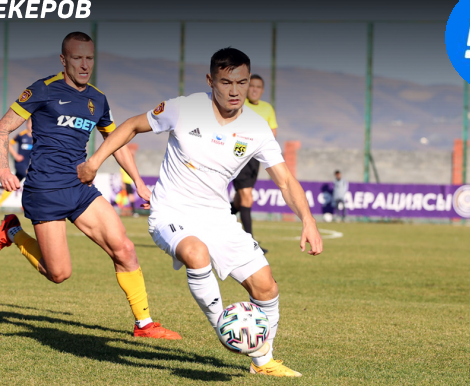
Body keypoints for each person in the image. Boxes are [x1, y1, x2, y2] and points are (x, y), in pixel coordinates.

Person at [77, 47, 323, 377]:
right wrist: (94, 161)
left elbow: (285, 180)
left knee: (266, 287)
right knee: (196, 252)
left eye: (242, 82)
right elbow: (132, 125)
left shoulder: (257, 128)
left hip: (218, 218)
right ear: (210, 80)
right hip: (171, 213)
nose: (235, 90)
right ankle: (225, 327)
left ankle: (263, 362)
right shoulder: (183, 109)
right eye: (226, 82)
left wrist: (308, 220)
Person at [0, 31, 180, 340]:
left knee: (124, 248)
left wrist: (138, 182)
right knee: (59, 274)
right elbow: (1, 130)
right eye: (77, 58)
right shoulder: (43, 89)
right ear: (64, 60)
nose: (85, 64)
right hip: (45, 190)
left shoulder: (97, 99)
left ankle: (144, 325)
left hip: (80, 188)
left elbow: (116, 142)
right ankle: (12, 231)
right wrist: (3, 169)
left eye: (89, 58)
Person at [230, 75, 277, 253]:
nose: (255, 89)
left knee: (239, 201)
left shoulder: (267, 108)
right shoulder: (239, 105)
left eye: (258, 87)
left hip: (255, 159)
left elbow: (272, 133)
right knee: (247, 197)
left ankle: (208, 227)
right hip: (240, 155)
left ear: (262, 90)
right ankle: (249, 244)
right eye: (252, 86)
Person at [0, 118, 33, 218]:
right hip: (20, 164)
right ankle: (25, 204)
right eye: (30, 124)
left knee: (12, 185)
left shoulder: (36, 137)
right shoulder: (21, 135)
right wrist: (15, 155)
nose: (31, 126)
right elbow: (9, 144)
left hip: (28, 164)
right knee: (31, 179)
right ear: (26, 125)